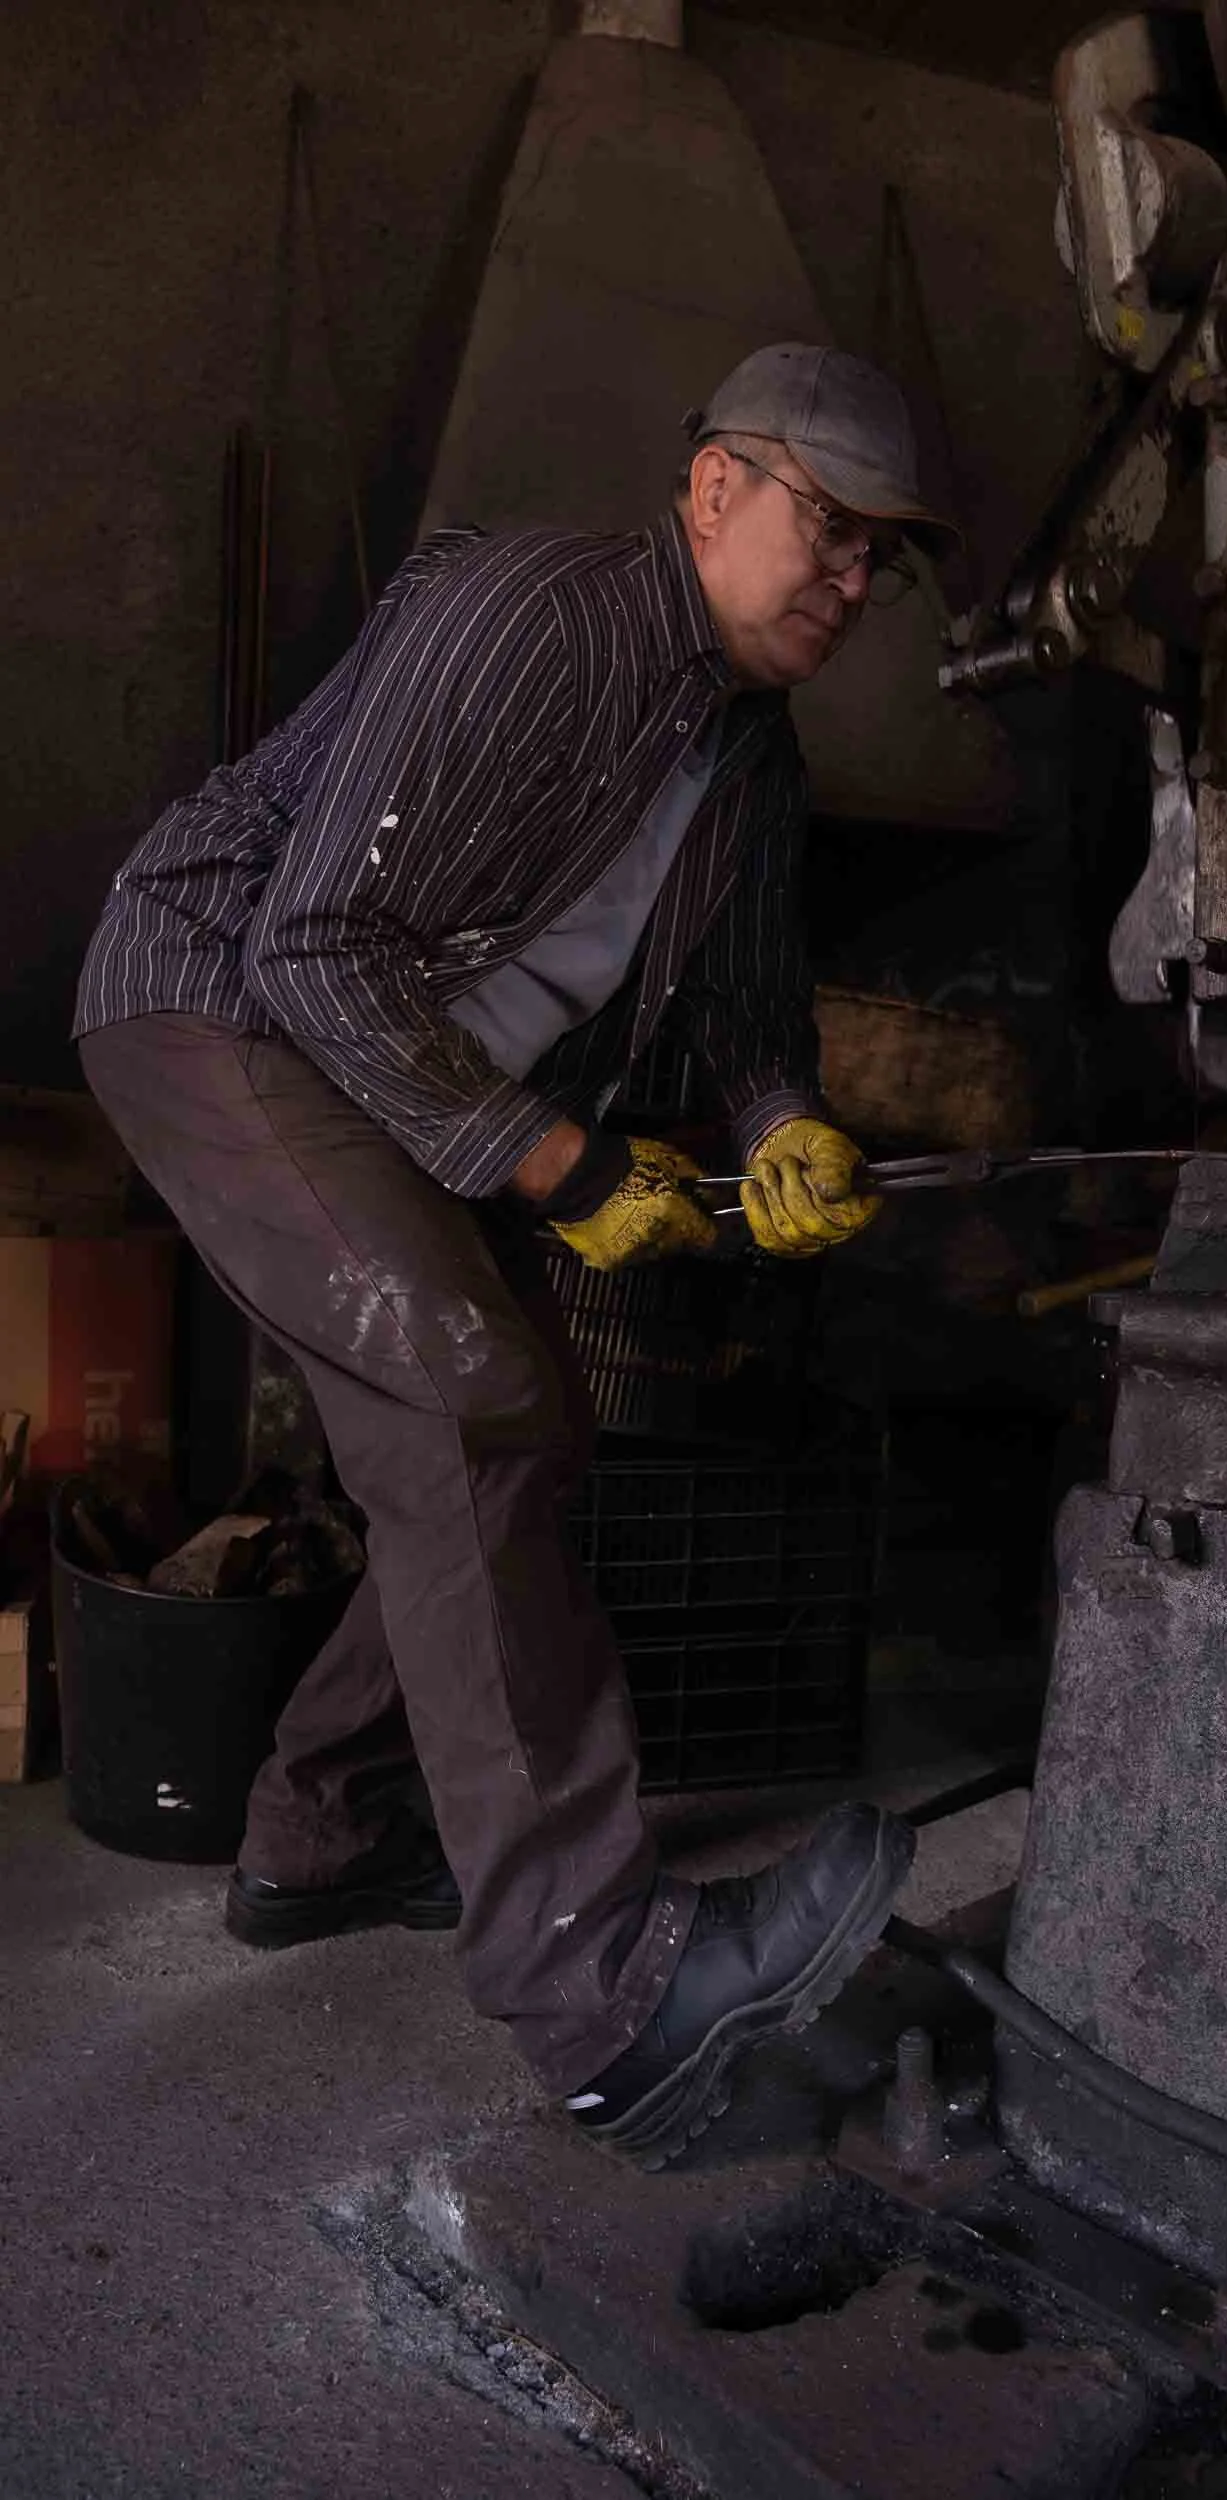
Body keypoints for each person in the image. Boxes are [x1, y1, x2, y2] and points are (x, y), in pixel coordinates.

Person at [72, 344, 959, 2165]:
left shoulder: (749, 757)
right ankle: (606, 1993)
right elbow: (317, 946)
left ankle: (318, 1837)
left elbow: (743, 1010)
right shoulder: (542, 614)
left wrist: (782, 1120)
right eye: (830, 526)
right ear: (713, 488)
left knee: (515, 1430)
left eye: (881, 556)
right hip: (225, 1006)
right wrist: (558, 1165)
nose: (854, 578)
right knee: (471, 1414)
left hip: (418, 1078)